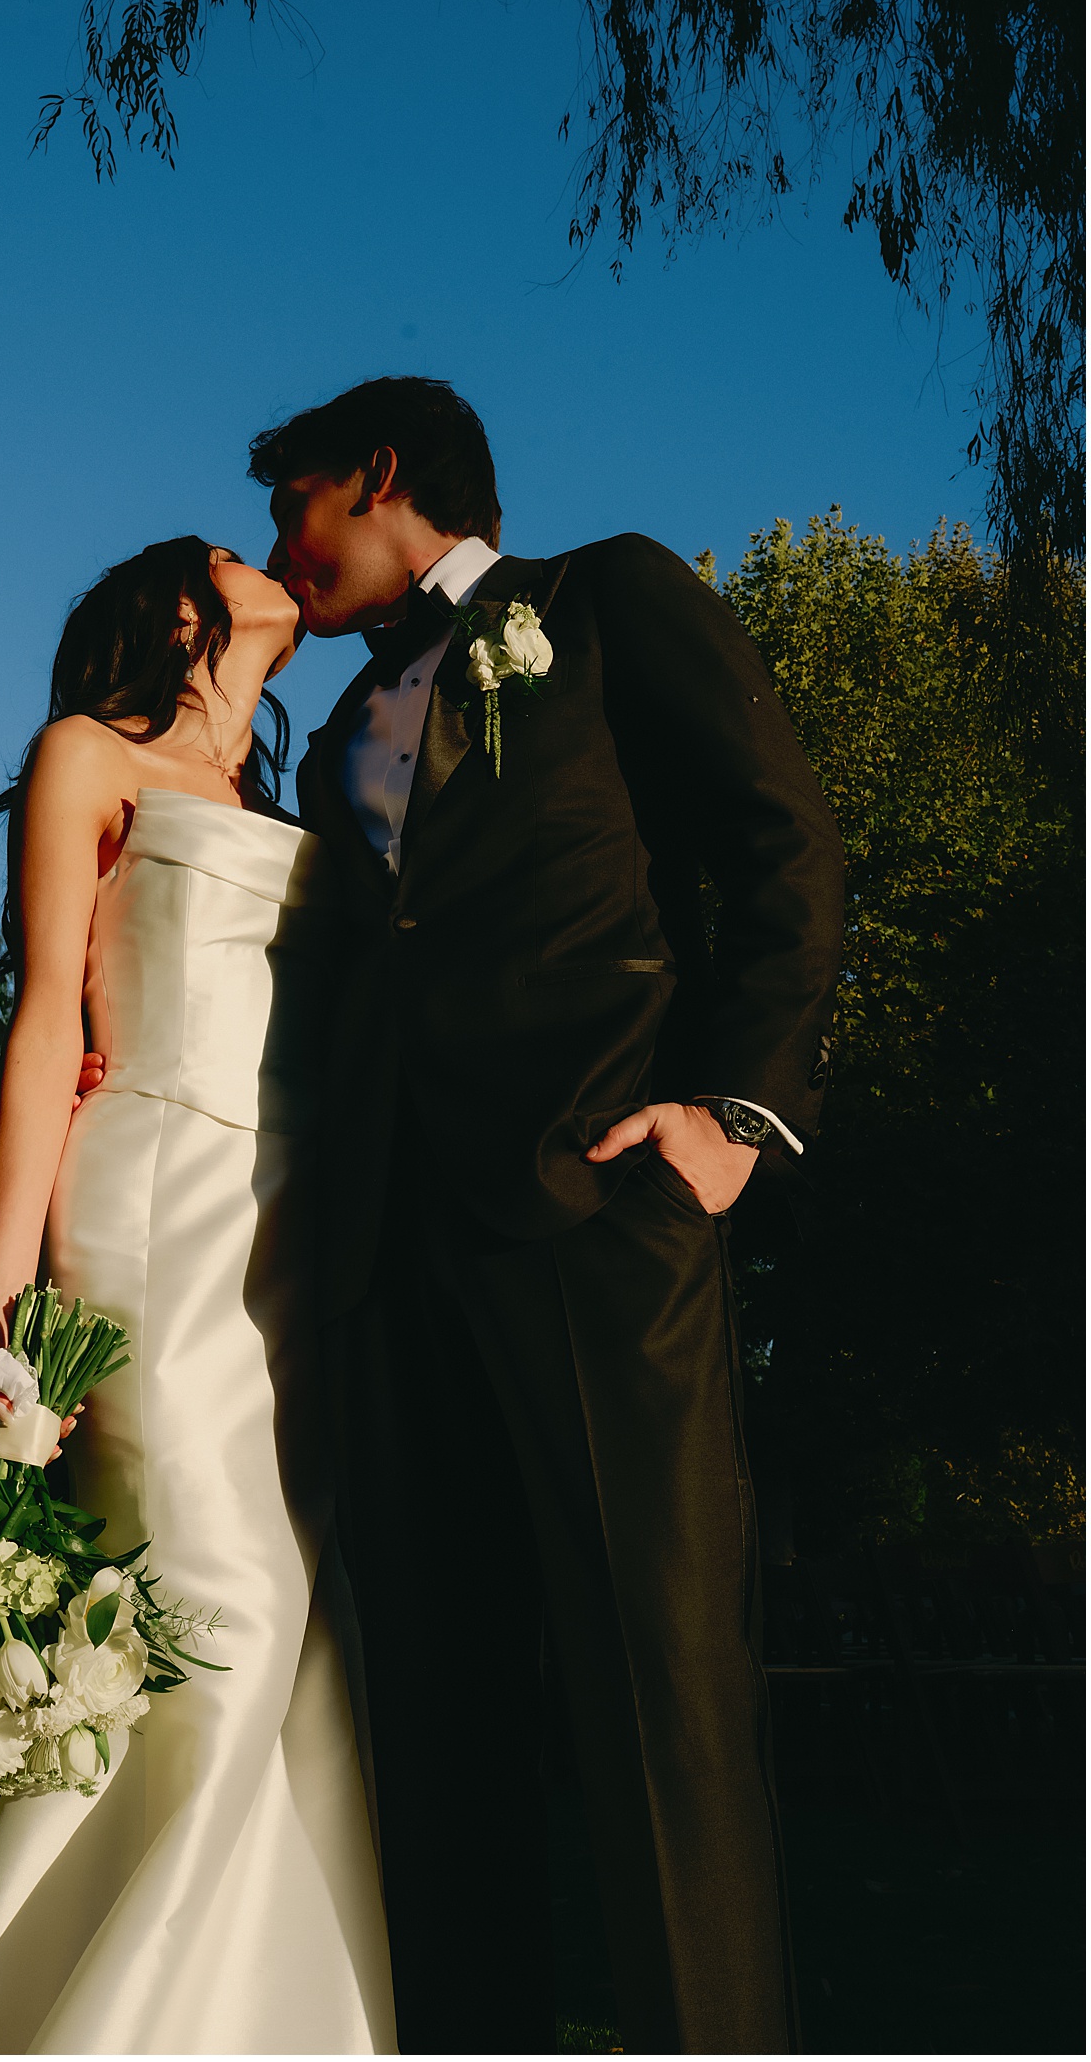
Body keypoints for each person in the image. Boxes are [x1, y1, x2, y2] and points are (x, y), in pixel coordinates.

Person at [252, 377, 846, 2056]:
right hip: (391, 1260)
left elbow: (784, 846)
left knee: (664, 1710)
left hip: (602, 1224)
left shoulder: (600, 603)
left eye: (291, 506)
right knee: (435, 1727)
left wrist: (734, 1118)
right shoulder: (334, 732)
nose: (274, 551)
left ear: (379, 478)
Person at [0, 536, 396, 2054]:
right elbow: (49, 1013)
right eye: (240, 554)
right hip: (154, 1200)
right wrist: (5, 1303)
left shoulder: (285, 801)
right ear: (180, 609)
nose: (276, 563)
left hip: (293, 1231)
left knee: (292, 1611)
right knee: (218, 1597)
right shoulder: (85, 756)